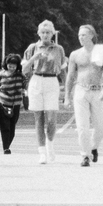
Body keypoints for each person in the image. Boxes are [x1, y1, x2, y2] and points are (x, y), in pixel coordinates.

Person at [65, 25, 103, 167]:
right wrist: (67, 96)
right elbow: (70, 76)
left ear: (91, 35)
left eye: (84, 35)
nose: (81, 38)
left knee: (101, 127)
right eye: (79, 35)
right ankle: (85, 155)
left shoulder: (101, 50)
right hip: (81, 91)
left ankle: (93, 147)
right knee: (82, 126)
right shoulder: (75, 54)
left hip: (97, 91)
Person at [22, 20, 66, 164]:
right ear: (39, 33)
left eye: (48, 32)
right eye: (43, 32)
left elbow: (63, 71)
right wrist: (35, 57)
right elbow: (24, 70)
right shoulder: (32, 48)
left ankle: (50, 145)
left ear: (52, 33)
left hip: (51, 81)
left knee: (51, 119)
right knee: (38, 118)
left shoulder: (58, 49)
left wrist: (66, 91)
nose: (45, 35)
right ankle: (41, 152)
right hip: (36, 80)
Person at [0, 53, 27, 154]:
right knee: (5, 126)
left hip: (16, 104)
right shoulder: (1, 75)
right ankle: (6, 147)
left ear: (17, 66)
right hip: (3, 103)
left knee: (12, 127)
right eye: (10, 65)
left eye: (14, 66)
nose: (12, 68)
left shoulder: (21, 76)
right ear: (6, 65)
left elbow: (25, 86)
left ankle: (7, 144)